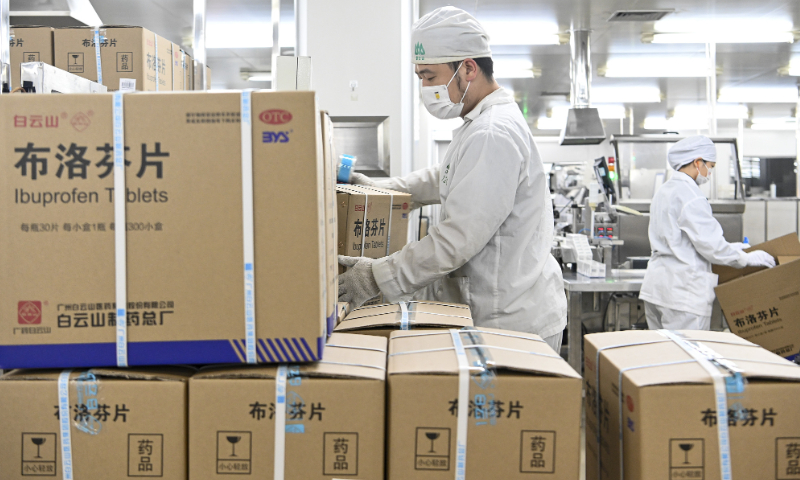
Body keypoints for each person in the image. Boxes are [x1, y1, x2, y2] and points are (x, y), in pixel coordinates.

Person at [337, 6, 568, 352]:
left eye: (430, 77)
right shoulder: (479, 124)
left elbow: (456, 239)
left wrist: (375, 276)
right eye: (420, 77)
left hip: (510, 323)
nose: (425, 88)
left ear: (468, 69)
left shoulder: (492, 133)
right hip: (499, 314)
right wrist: (382, 189)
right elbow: (443, 178)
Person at [639, 135, 775, 330]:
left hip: (657, 290)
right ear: (697, 162)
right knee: (687, 357)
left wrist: (735, 247)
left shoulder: (664, 191)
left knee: (664, 356)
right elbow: (712, 247)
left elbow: (683, 240)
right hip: (683, 295)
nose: (709, 173)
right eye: (710, 166)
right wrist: (745, 258)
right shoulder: (691, 196)